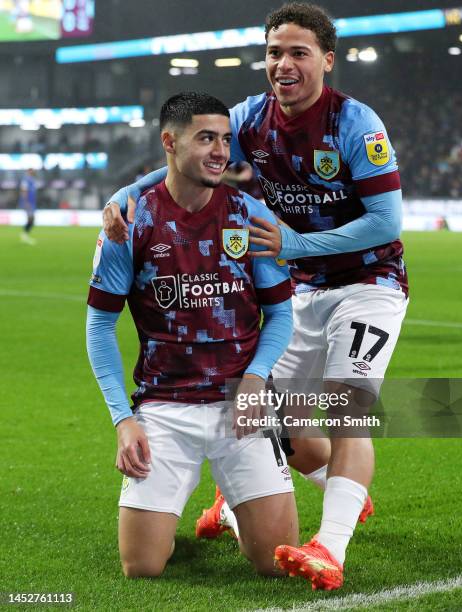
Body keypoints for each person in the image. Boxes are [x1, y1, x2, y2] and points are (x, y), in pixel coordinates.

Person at [102, 3, 408, 590]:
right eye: (274, 52)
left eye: (298, 52)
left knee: (347, 410)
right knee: (270, 418)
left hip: (367, 284)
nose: (283, 63)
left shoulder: (355, 124)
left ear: (326, 60)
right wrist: (124, 196)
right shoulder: (250, 117)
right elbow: (189, 151)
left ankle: (330, 544)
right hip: (301, 289)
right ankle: (318, 489)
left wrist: (296, 243)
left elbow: (387, 222)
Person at [86, 92, 299, 579]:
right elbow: (99, 326)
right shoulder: (130, 224)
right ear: (169, 142)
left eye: (225, 139)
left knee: (275, 562)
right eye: (205, 138)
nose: (220, 151)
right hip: (164, 408)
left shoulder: (252, 215)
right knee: (141, 567)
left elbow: (281, 316)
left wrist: (255, 379)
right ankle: (219, 507)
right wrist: (123, 420)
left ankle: (229, 509)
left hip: (239, 406)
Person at [19, 168, 37, 245]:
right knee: (31, 219)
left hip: (32, 202)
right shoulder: (26, 180)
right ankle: (24, 235)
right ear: (28, 172)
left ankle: (24, 235)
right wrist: (26, 202)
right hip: (28, 203)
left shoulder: (32, 180)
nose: (32, 172)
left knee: (32, 219)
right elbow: (24, 190)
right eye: (30, 170)